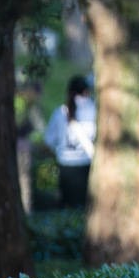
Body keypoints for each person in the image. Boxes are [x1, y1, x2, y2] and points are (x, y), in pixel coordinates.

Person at [45, 75, 96, 208]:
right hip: (86, 166)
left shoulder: (59, 112)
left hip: (65, 167)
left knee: (68, 208)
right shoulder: (94, 110)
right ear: (87, 91)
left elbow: (49, 141)